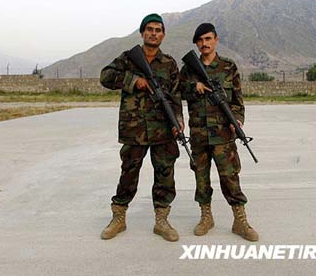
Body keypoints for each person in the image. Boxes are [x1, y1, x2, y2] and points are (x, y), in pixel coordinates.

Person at [99, 13, 183, 242]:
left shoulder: (169, 64)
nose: (154, 33)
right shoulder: (129, 58)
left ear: (163, 35)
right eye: (150, 29)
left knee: (165, 175)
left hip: (163, 131)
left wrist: (178, 122)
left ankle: (162, 221)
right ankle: (118, 218)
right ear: (142, 32)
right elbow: (105, 76)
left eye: (158, 30)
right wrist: (133, 81)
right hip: (134, 129)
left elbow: (175, 97)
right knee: (128, 174)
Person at [179, 23, 259, 241]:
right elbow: (177, 92)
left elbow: (238, 101)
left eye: (208, 39)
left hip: (223, 135)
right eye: (200, 40)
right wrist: (193, 88)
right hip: (198, 135)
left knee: (230, 177)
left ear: (216, 40)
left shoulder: (228, 67)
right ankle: (206, 217)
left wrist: (238, 121)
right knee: (201, 178)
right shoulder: (188, 69)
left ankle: (240, 221)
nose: (204, 43)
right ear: (196, 43)